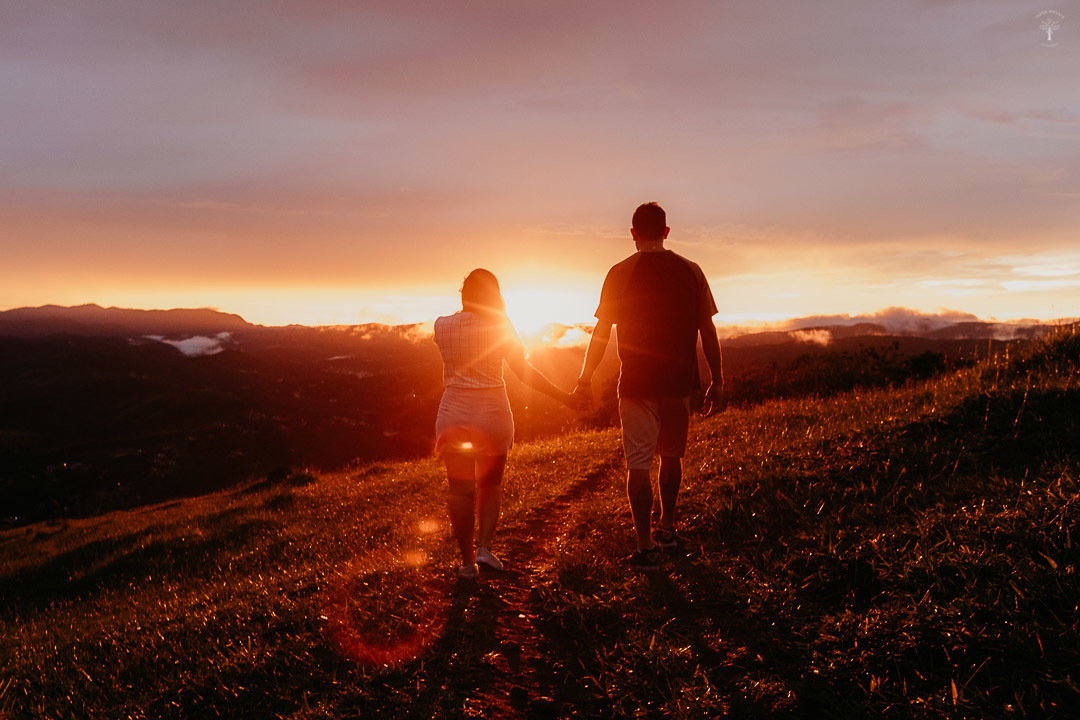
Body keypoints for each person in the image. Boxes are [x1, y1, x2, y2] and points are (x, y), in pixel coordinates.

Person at [574, 202, 723, 570]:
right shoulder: (692, 271)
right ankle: (667, 529)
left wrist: (584, 378)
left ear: (633, 234)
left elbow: (601, 332)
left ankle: (644, 548)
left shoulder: (619, 272)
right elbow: (708, 329)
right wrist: (717, 381)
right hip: (678, 381)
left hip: (637, 382)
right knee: (671, 457)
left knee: (638, 464)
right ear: (667, 232)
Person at [434, 269, 581, 579]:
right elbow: (522, 371)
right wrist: (565, 397)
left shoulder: (441, 325)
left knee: (459, 490)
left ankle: (466, 563)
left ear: (464, 293)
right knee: (490, 483)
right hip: (492, 413)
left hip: (455, 412)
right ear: (495, 296)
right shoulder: (501, 325)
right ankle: (485, 549)